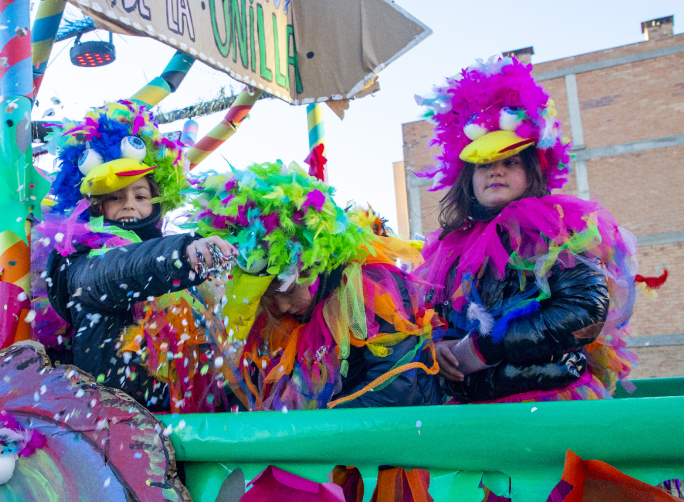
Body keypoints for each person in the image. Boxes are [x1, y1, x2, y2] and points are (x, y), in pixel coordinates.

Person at [414, 56, 639, 404]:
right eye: (484, 165)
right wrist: (439, 346)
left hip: (549, 400)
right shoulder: (452, 249)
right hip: (475, 409)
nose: (496, 172)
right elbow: (437, 318)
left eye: (510, 162)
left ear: (533, 169)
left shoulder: (555, 228)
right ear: (466, 177)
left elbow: (584, 309)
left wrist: (484, 347)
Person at [188, 161, 443, 410]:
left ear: (314, 267)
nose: (281, 307)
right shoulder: (271, 319)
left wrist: (312, 432)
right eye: (266, 298)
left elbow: (394, 391)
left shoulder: (369, 290)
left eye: (287, 291)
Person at [33, 100, 233, 413]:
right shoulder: (80, 262)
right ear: (96, 205)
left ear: (156, 203)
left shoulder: (172, 259)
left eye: (140, 196)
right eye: (115, 197)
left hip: (174, 420)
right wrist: (181, 254)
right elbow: (117, 271)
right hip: (107, 422)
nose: (129, 205)